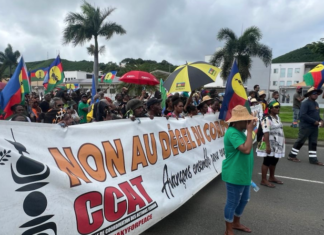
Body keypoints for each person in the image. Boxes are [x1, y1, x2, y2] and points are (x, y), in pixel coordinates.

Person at [222, 105, 256, 235]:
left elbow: (249, 142)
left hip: (244, 173)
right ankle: (228, 229)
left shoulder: (241, 132)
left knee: (244, 200)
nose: (248, 122)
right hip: (234, 174)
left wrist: (249, 131)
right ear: (236, 121)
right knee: (232, 202)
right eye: (246, 120)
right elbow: (246, 150)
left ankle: (236, 222)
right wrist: (249, 130)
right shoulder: (232, 133)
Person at [288, 87, 324, 165]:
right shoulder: (305, 103)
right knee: (301, 141)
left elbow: (317, 115)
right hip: (306, 126)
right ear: (309, 94)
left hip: (314, 127)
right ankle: (292, 155)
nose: (316, 95)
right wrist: (314, 121)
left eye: (317, 93)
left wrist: (321, 120)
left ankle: (313, 159)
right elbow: (303, 115)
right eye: (314, 93)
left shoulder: (316, 103)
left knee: (313, 142)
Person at [257, 101, 285, 188]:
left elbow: (280, 129)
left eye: (278, 106)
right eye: (276, 107)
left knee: (275, 160)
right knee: (267, 161)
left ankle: (272, 177)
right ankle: (263, 179)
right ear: (270, 108)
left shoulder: (277, 117)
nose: (278, 108)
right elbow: (266, 133)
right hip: (267, 143)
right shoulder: (266, 119)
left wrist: (283, 139)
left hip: (277, 143)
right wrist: (267, 146)